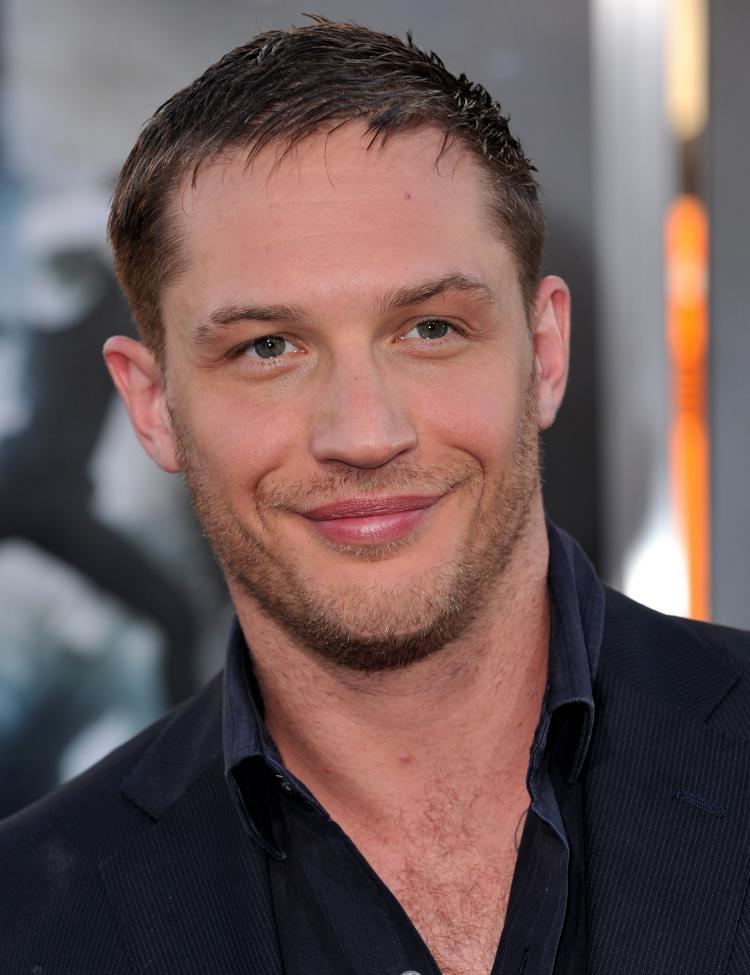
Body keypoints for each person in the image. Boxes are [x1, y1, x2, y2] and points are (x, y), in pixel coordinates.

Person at [3, 17, 750, 975]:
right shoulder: (29, 917)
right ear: (152, 406)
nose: (363, 434)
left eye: (431, 328)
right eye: (267, 348)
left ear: (546, 352)